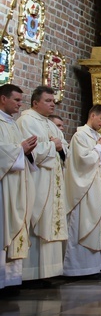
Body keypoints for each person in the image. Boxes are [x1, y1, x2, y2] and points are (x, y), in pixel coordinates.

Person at [17, 85, 68, 281]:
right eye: (48, 101)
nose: (52, 104)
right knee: (39, 220)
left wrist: (59, 147)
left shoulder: (51, 124)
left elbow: (64, 148)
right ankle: (32, 273)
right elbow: (30, 153)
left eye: (53, 101)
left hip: (53, 181)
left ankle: (50, 271)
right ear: (35, 102)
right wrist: (52, 145)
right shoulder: (26, 121)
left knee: (52, 221)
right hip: (38, 180)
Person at [62, 104, 101, 277]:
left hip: (98, 186)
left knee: (97, 223)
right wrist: (100, 148)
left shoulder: (98, 137)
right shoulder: (80, 136)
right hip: (84, 189)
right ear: (92, 115)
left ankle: (96, 265)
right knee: (82, 223)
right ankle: (78, 267)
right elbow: (83, 161)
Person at [0, 84, 35, 291]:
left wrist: (27, 150)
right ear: (3, 98)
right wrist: (19, 149)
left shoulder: (13, 124)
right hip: (3, 186)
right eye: (17, 100)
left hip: (15, 183)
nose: (20, 105)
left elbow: (17, 151)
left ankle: (11, 279)